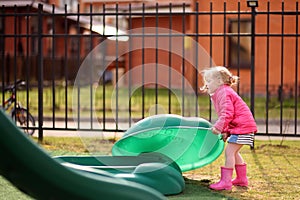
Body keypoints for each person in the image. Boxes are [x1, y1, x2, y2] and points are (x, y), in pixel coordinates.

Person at [200, 66, 257, 191]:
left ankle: (226, 182)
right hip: (242, 127)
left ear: (220, 81)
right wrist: (226, 131)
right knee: (234, 152)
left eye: (209, 81)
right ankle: (242, 179)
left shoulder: (224, 93)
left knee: (229, 152)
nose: (206, 84)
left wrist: (218, 128)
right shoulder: (223, 92)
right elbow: (228, 115)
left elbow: (227, 114)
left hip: (243, 127)